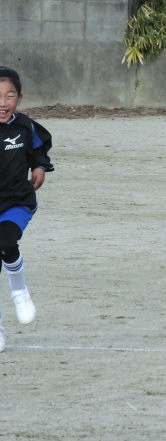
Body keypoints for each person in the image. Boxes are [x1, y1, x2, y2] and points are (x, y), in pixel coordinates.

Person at [0, 67, 53, 351]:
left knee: (6, 242)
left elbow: (38, 148)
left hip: (16, 201)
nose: (2, 102)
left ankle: (18, 289)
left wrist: (40, 166)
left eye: (9, 96)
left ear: (19, 98)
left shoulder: (24, 125)